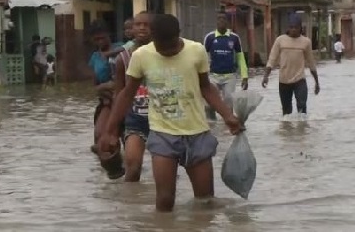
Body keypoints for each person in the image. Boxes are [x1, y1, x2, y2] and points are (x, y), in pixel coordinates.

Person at [99, 13, 242, 212]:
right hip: (163, 135)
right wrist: (110, 131)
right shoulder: (141, 56)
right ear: (152, 36)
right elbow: (126, 94)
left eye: (171, 46)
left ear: (179, 35)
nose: (166, 51)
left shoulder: (196, 51)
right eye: (161, 47)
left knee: (205, 201)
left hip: (197, 134)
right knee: (165, 201)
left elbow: (206, 87)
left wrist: (227, 116)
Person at [112, 11, 154, 182]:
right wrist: (115, 127)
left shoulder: (165, 54)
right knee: (133, 167)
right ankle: (129, 205)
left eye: (146, 24)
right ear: (132, 28)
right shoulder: (123, 58)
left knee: (167, 170)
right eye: (138, 24)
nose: (142, 28)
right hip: (135, 120)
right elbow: (120, 93)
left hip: (164, 121)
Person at [262, 14, 320, 119]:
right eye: (291, 27)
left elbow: (311, 63)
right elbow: (272, 59)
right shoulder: (280, 40)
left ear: (300, 28)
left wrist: (317, 82)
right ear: (288, 27)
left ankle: (302, 133)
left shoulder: (306, 42)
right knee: (286, 112)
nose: (293, 30)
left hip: (300, 80)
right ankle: (288, 133)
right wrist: (266, 76)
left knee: (302, 108)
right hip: (284, 81)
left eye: (296, 27)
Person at [87, 23, 124, 179]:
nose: (100, 41)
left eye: (103, 37)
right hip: (106, 99)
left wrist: (115, 85)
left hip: (125, 97)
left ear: (109, 35)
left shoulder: (121, 48)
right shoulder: (94, 58)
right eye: (96, 39)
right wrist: (102, 88)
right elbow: (94, 85)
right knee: (99, 136)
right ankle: (110, 169)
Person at [203, 13, 249, 121]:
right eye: (219, 19)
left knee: (228, 102)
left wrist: (245, 75)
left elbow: (240, 57)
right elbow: (203, 56)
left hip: (230, 76)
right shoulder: (210, 37)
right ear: (216, 21)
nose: (221, 21)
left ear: (227, 22)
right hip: (213, 75)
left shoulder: (234, 38)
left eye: (224, 19)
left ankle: (227, 127)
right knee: (209, 103)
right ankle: (212, 126)